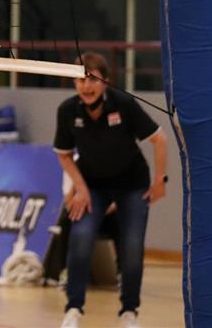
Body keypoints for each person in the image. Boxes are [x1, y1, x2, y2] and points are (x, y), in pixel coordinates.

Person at [54, 51, 168, 328]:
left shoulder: (123, 104)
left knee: (132, 248)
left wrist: (160, 181)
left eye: (93, 79)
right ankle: (73, 309)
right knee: (80, 238)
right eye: (81, 80)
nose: (86, 86)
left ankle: (129, 312)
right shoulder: (67, 110)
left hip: (132, 185)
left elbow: (160, 139)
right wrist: (80, 189)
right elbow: (64, 155)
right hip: (93, 186)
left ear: (105, 81)